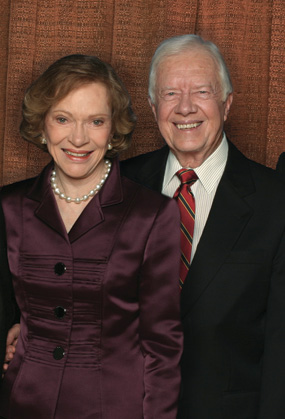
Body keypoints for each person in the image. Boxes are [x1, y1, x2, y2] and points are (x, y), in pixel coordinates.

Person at [0, 54, 183, 418]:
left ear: (113, 129)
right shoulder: (9, 207)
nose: (78, 138)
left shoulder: (152, 214)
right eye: (63, 118)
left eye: (95, 121)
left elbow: (162, 345)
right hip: (22, 403)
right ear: (42, 125)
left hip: (116, 407)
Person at [121, 34, 285, 418]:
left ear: (227, 104)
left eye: (202, 91)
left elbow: (282, 351)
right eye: (170, 94)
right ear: (151, 105)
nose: (186, 107)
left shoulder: (277, 202)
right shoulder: (117, 188)